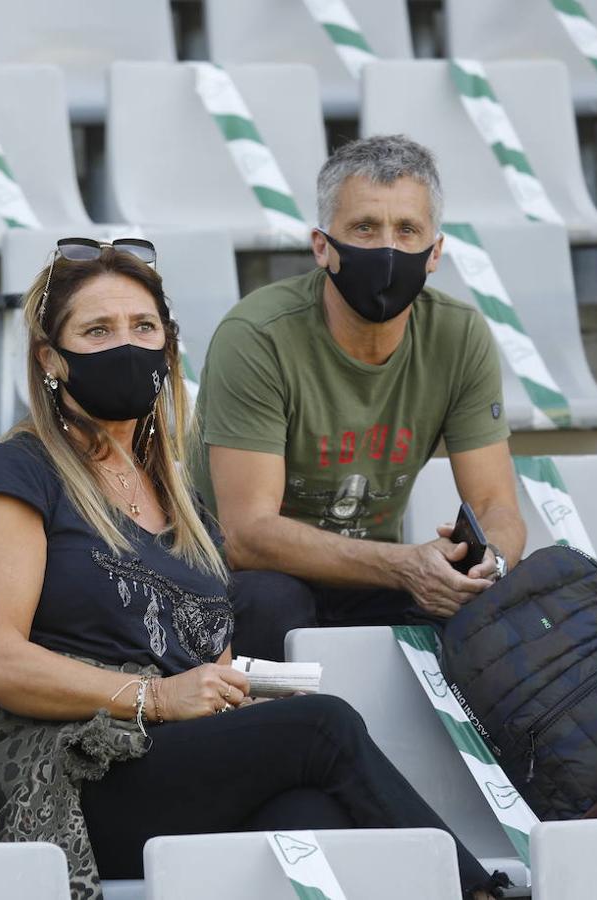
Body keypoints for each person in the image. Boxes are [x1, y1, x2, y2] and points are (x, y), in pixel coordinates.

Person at [0, 239, 503, 900]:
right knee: (322, 728)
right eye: (98, 330)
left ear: (169, 348)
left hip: (175, 766)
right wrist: (157, 697)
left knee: (308, 819)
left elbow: (214, 666)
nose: (127, 345)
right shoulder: (15, 477)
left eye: (143, 327)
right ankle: (480, 892)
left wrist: (242, 694)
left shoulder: (186, 507)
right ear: (51, 359)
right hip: (74, 775)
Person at [194, 135, 527, 661]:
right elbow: (246, 535)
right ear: (322, 246)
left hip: (372, 577)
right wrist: (403, 564)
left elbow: (496, 506)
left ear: (435, 252)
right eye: (365, 228)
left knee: (492, 609)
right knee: (271, 602)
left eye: (407, 230)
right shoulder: (257, 335)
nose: (388, 249)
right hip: (243, 579)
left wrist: (489, 564)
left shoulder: (459, 336)